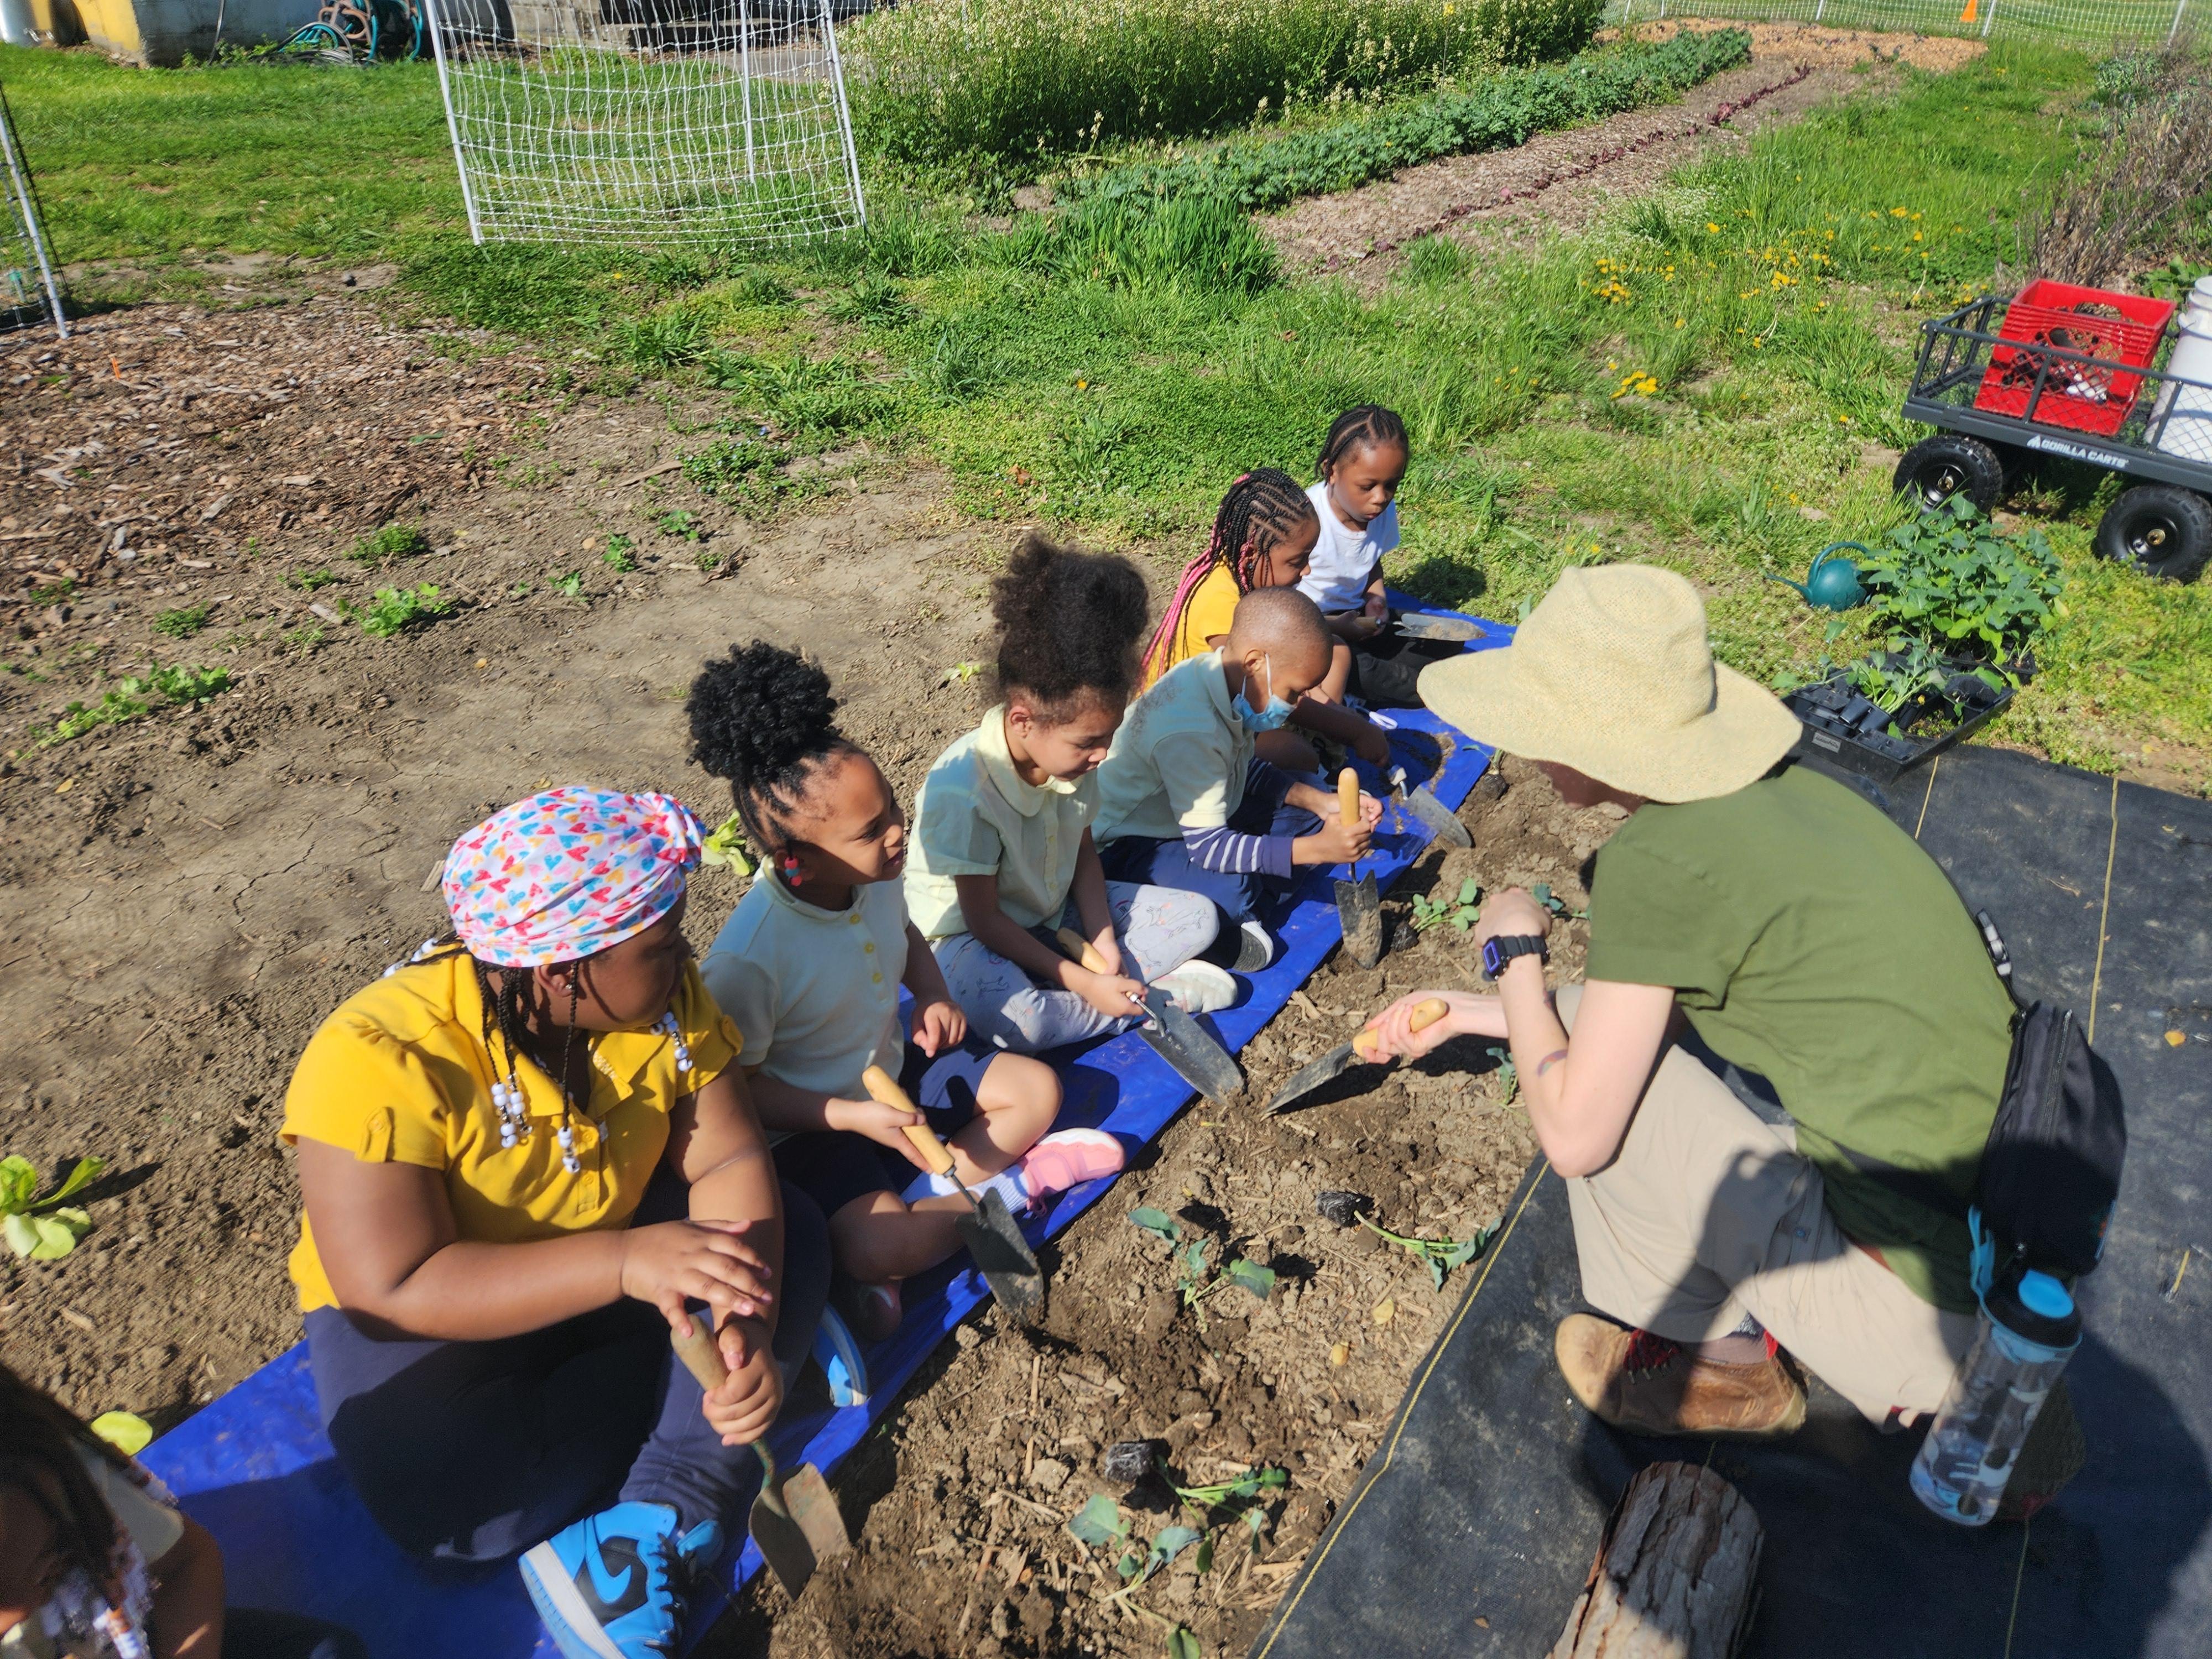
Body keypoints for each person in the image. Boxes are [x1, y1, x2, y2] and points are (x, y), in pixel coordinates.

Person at [1366, 566, 2070, 1497]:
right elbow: (1682, 997)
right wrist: (1474, 1014)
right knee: (1577, 1030)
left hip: (1939, 1306)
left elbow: (1577, 1139)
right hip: (2006, 1221)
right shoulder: (1790, 801)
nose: (1525, 751)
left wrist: (1512, 956)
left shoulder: (1654, 863)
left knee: (1583, 1100)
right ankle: (1783, 1342)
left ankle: (1727, 1370)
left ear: (1586, 740)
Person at [279, 787, 826, 1659]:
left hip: (615, 1250)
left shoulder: (664, 1000)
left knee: (777, 1229)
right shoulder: (379, 1057)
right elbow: (393, 1286)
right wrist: (625, 1264)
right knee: (448, 1509)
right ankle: (719, 1382)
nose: (683, 955)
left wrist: (738, 1329)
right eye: (659, 945)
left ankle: (663, 1512)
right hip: (439, 1313)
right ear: (561, 971)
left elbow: (726, 1161)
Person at [688, 643, 1120, 1344]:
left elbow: (910, 936)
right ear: (796, 863)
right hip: (813, 1132)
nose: (898, 833)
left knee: (1036, 1091)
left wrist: (935, 995)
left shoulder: (871, 878)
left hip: (891, 1069)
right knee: (872, 1247)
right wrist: (849, 1120)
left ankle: (934, 1211)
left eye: (891, 805)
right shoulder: (749, 961)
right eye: (871, 831)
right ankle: (1008, 1191)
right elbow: (739, 1092)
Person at [906, 535, 1236, 1052]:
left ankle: (1107, 995)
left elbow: (1084, 857)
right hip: (967, 939)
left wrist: (1104, 941)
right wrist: (1086, 980)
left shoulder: (1078, 761)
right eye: (1089, 742)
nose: (1105, 754)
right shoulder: (964, 789)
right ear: (1023, 720)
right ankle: (1143, 1005)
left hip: (1051, 913)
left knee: (1202, 917)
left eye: (1109, 736)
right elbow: (985, 919)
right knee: (1024, 1024)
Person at [1096, 587, 1382, 971]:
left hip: (1191, 820)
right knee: (1235, 888)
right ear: (1254, 664)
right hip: (1130, 847)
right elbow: (1209, 849)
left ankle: (1252, 896)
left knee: (1313, 801)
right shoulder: (1190, 729)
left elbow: (1242, 770)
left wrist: (1324, 802)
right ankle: (1210, 922)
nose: (1296, 705)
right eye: (1294, 692)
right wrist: (1316, 851)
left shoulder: (1227, 686)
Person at [1139, 468, 1390, 774]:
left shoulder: (1241, 575)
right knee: (1297, 754)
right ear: (1253, 555)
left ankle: (1323, 739)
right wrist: (1355, 729)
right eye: (1298, 561)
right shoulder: (1219, 600)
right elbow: (1265, 692)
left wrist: (1334, 627)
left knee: (1336, 650)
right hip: (1191, 730)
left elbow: (1283, 646)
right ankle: (1319, 752)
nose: (1308, 571)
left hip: (1240, 701)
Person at [1298, 405, 1463, 708]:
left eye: (1392, 485)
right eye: (1368, 486)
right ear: (1331, 470)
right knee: (1369, 672)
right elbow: (1282, 605)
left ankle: (1394, 672)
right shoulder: (1306, 520)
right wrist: (1338, 627)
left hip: (1360, 619)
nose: (1381, 497)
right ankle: (1433, 689)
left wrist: (1376, 599)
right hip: (1315, 630)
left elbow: (1371, 562)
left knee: (1449, 636)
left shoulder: (1381, 511)